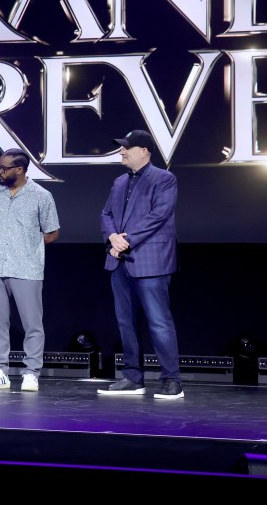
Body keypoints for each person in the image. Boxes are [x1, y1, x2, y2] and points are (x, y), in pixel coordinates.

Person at [97, 130, 183, 399]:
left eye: (127, 148)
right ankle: (133, 377)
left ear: (144, 151)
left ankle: (172, 381)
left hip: (151, 261)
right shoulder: (120, 181)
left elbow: (159, 216)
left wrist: (127, 240)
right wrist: (111, 236)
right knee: (126, 323)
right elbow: (106, 213)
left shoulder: (164, 179)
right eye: (122, 148)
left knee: (159, 322)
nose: (122, 152)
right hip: (119, 261)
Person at [0, 148, 60, 392]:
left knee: (32, 324)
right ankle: (0, 372)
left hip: (27, 268)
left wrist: (28, 247)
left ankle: (31, 373)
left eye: (4, 168)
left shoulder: (41, 195)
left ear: (20, 170)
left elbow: (52, 232)